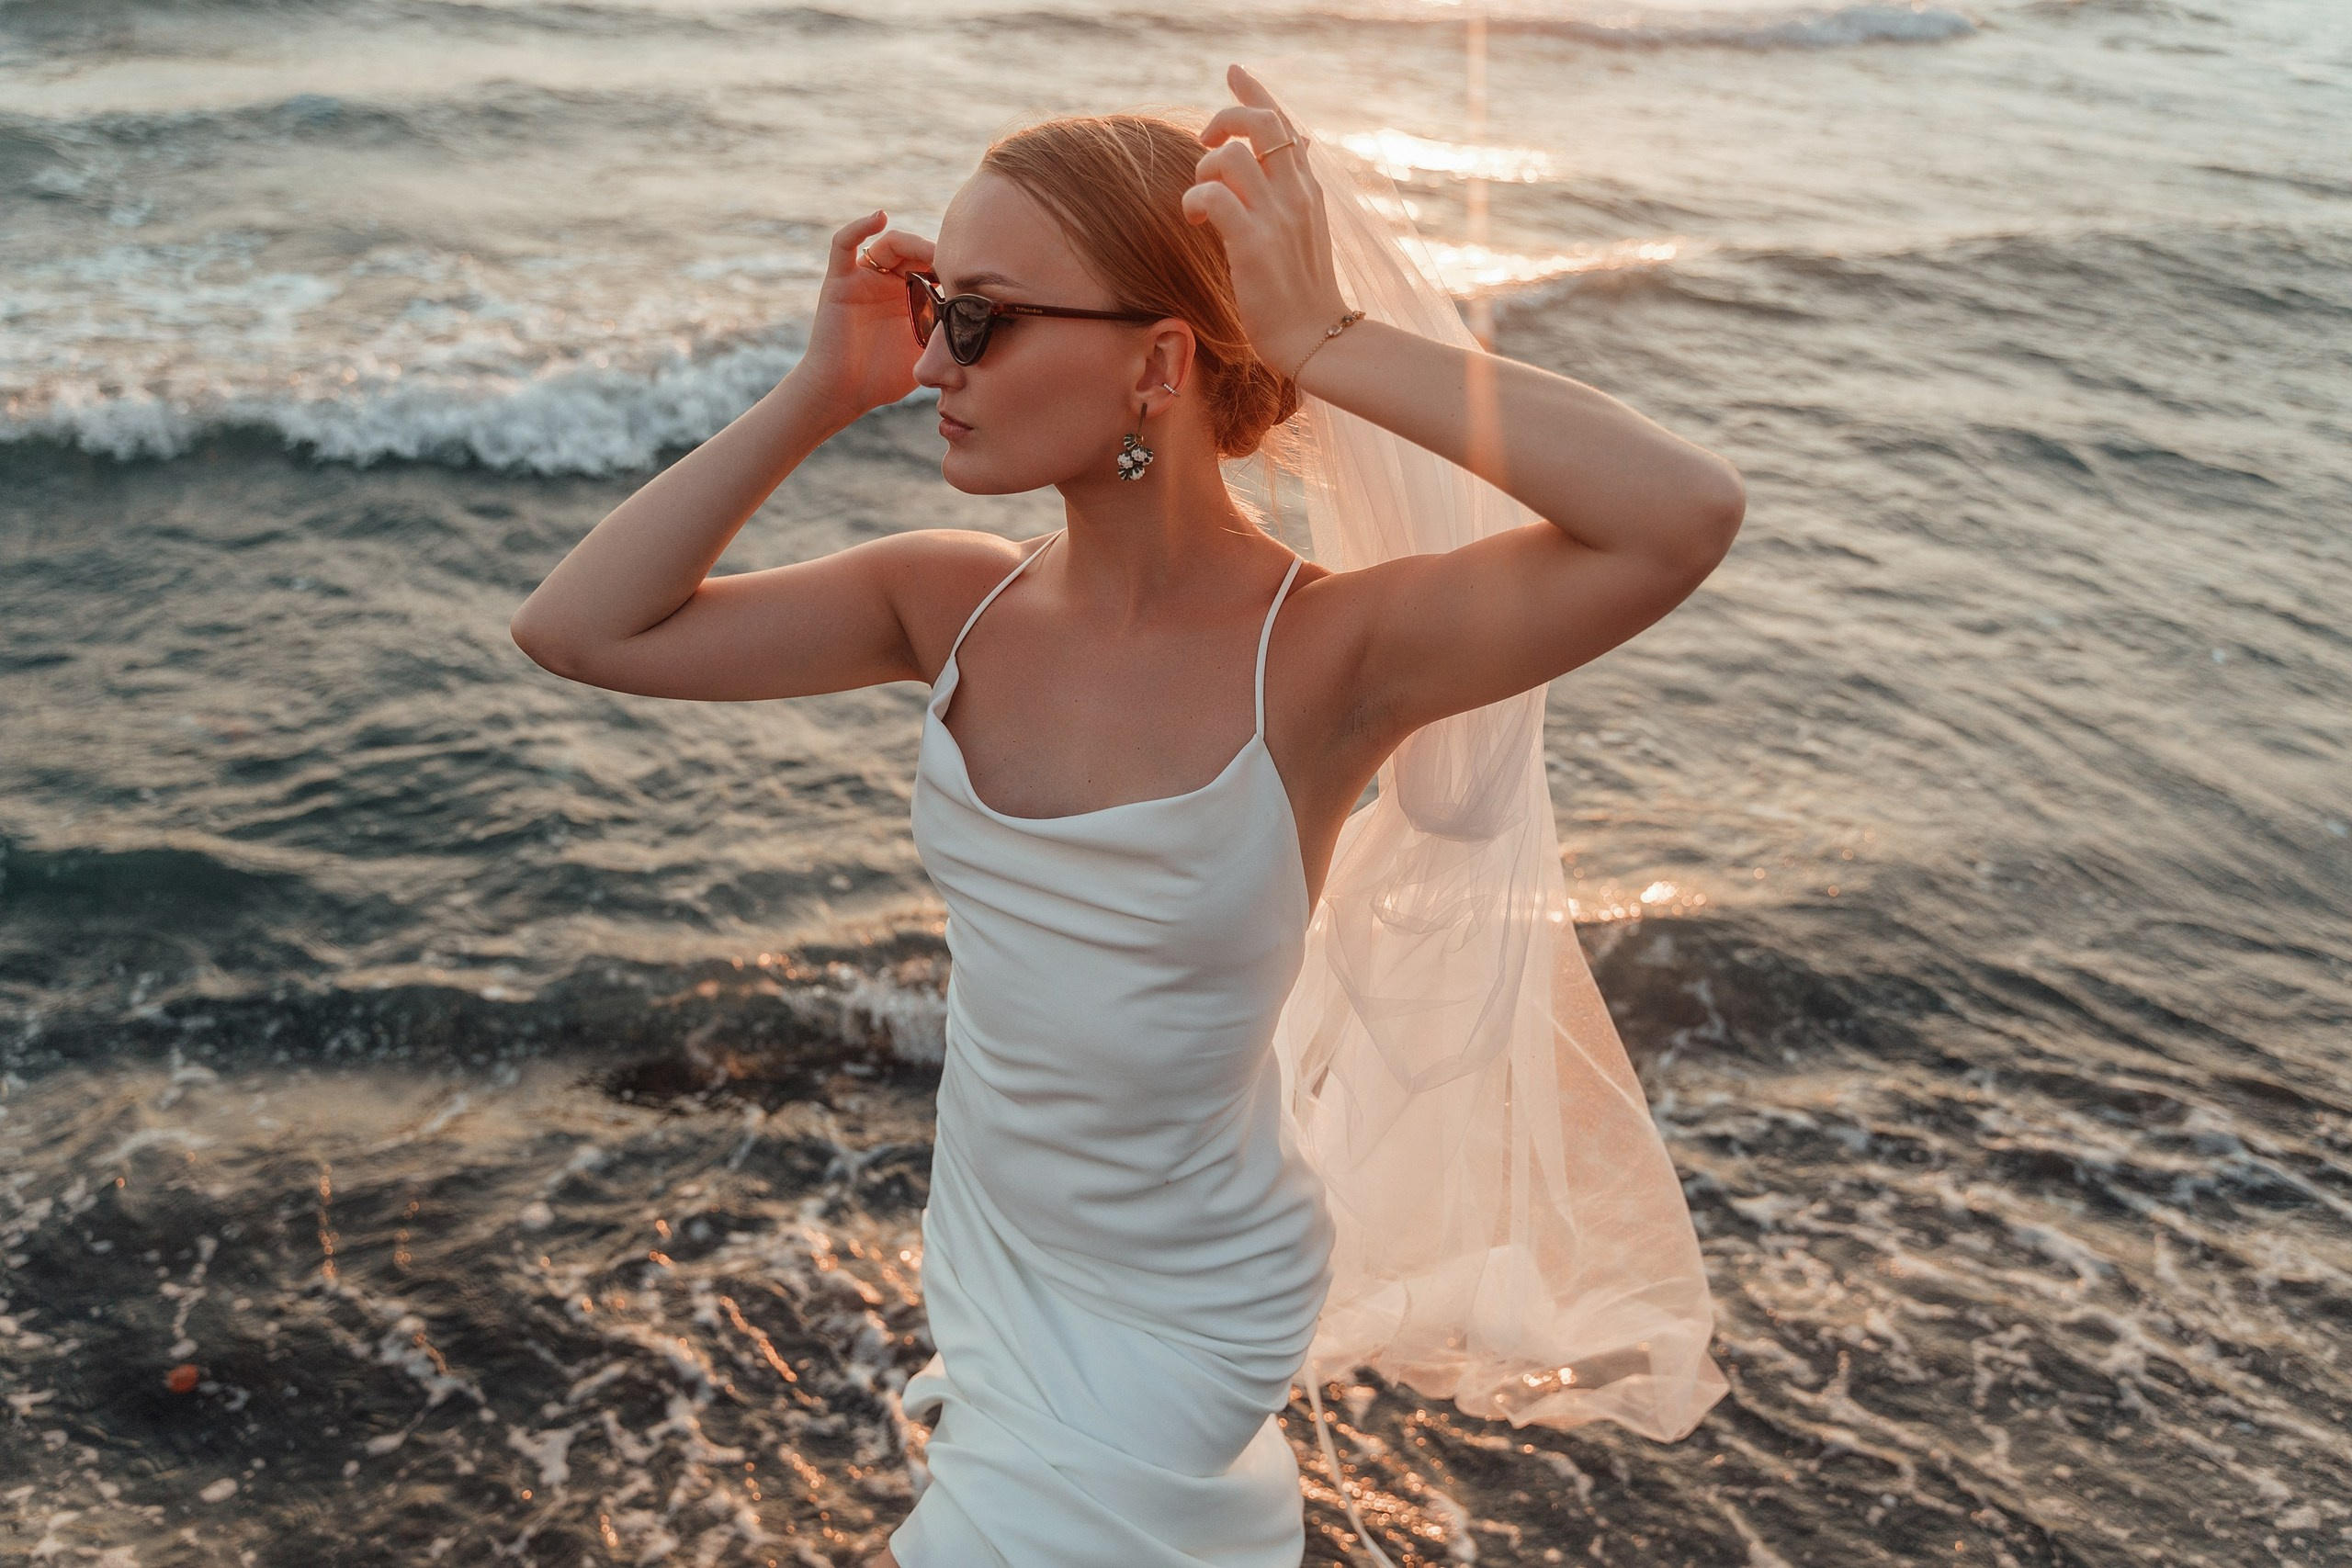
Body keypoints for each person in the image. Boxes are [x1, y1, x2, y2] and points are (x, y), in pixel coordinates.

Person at [510, 62, 1742, 1568]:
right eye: (936, 306)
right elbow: (580, 630)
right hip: (997, 1260)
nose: (935, 358)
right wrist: (818, 392)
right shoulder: (945, 605)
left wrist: (1324, 339)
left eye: (982, 317)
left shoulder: (1329, 657)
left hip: (1183, 1304)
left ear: (1158, 364)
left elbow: (1680, 515)